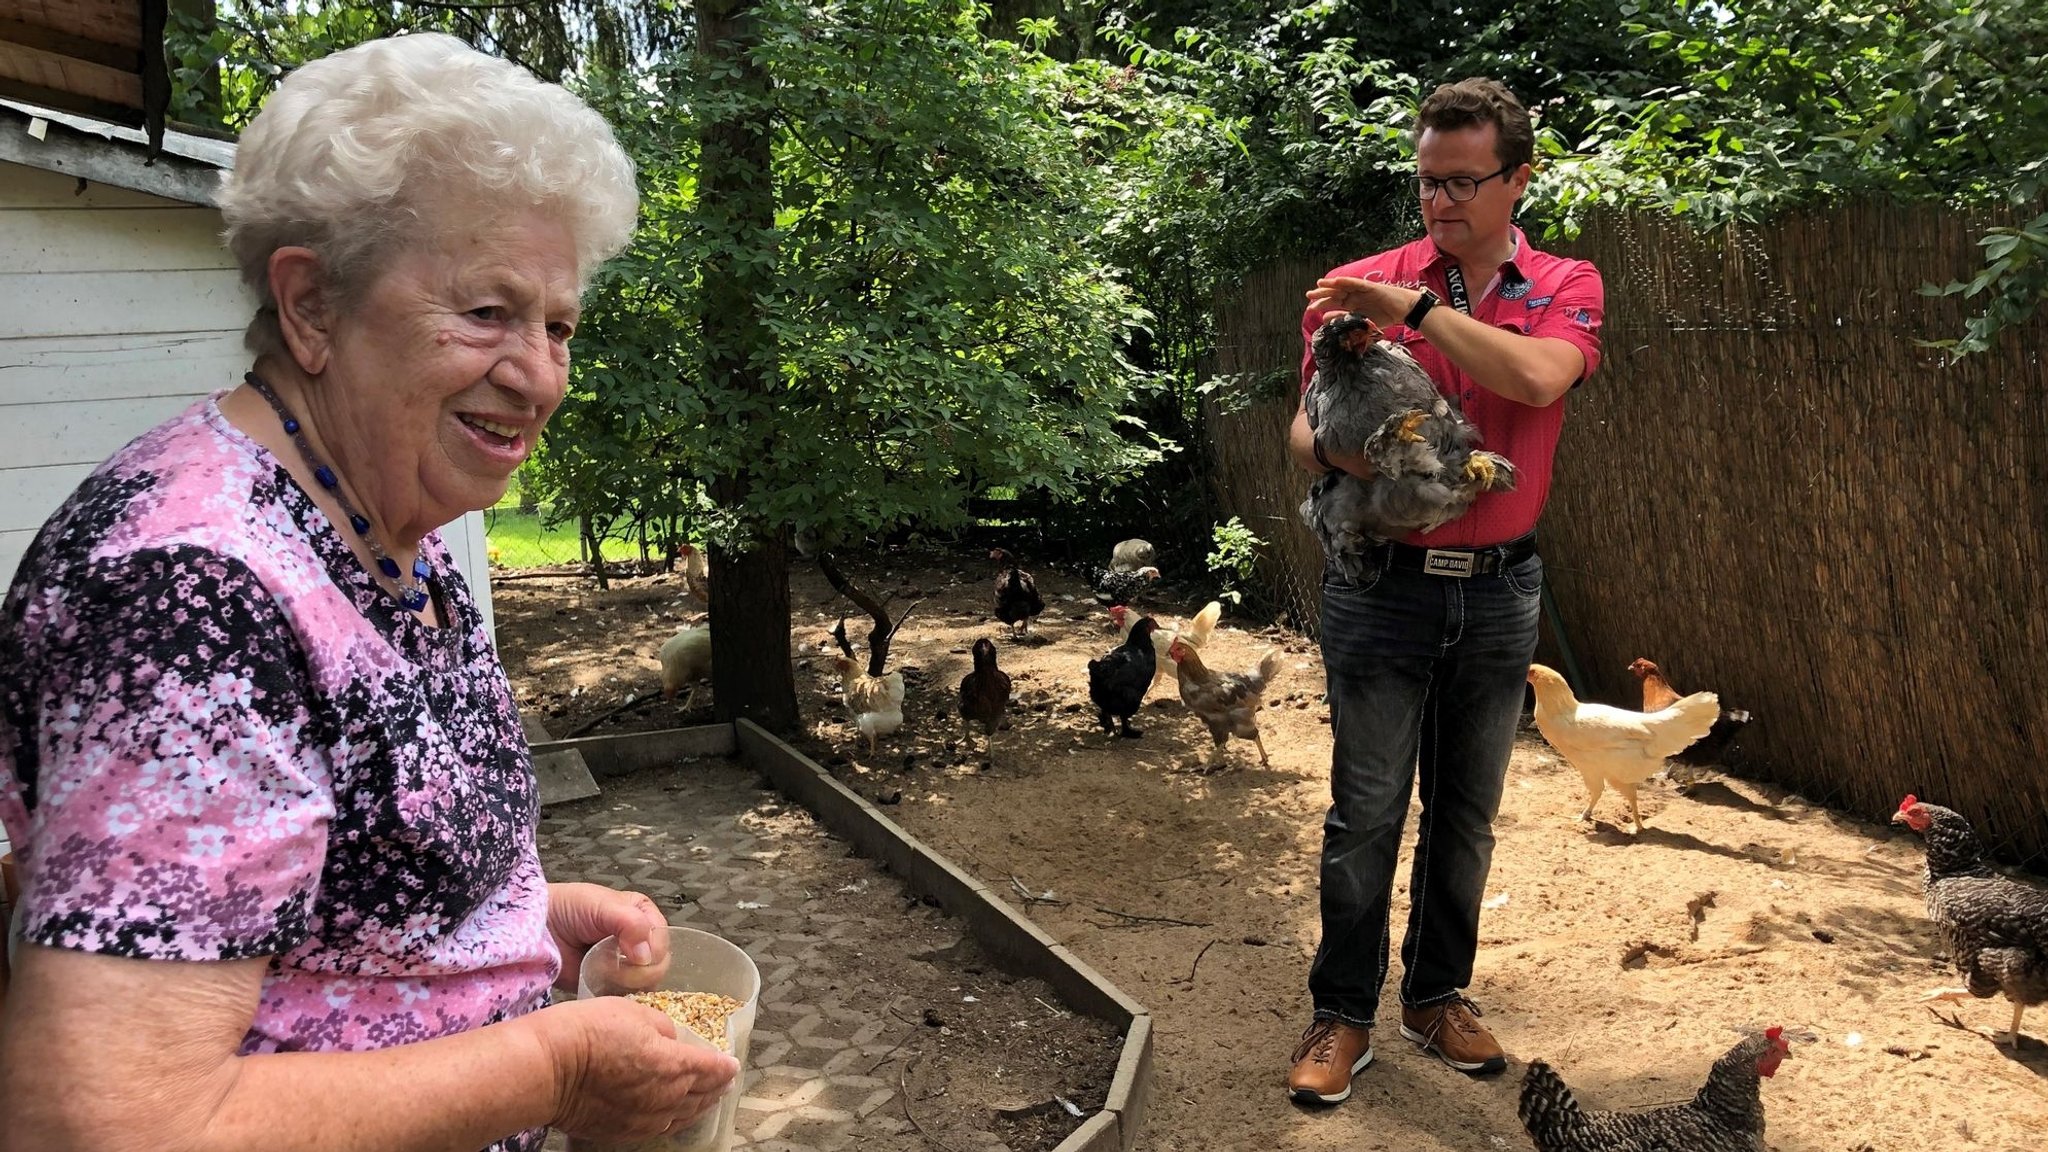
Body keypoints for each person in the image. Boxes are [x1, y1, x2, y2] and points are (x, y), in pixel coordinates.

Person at [0, 33, 737, 1151]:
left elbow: (306, 907)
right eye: (485, 313)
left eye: (558, 326)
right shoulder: (189, 597)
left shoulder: (386, 527)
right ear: (310, 307)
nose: (537, 374)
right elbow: (109, 1124)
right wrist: (557, 1065)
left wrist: (522, 926)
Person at [1284, 77, 1605, 1105]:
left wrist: (1415, 311)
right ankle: (1341, 1017)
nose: (1439, 202)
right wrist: (1366, 459)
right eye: (1426, 182)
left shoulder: (1563, 281)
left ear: (1518, 178)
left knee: (1464, 813)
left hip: (1502, 587)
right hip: (1379, 584)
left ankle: (1435, 997)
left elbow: (1538, 381)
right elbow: (1303, 430)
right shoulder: (1358, 282)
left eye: (1463, 182)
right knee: (1364, 810)